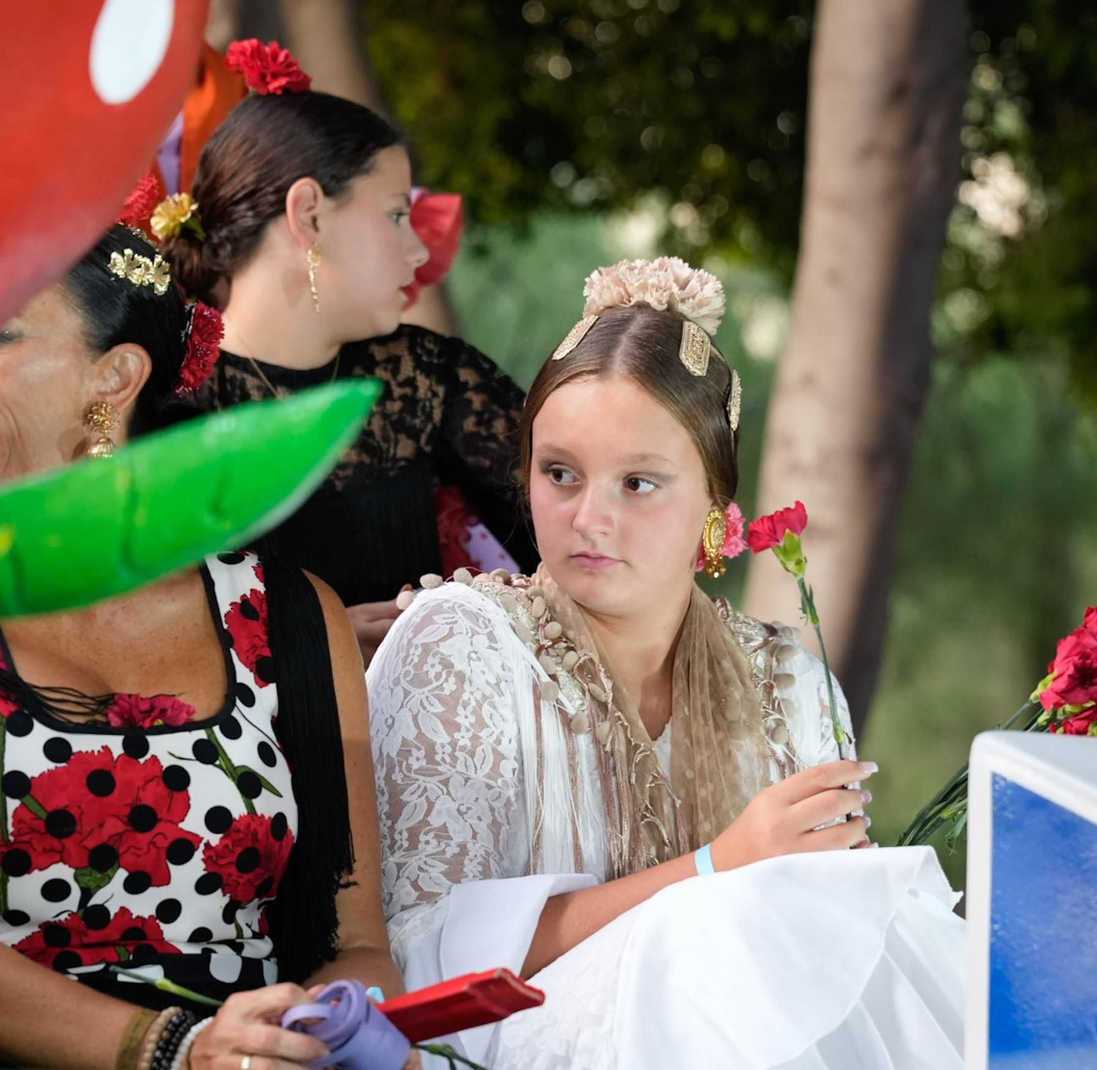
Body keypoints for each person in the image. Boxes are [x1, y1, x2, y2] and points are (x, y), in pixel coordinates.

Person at [0, 225, 407, 1069]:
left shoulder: (293, 612)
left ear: (114, 377)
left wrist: (331, 1030)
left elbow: (356, 940)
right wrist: (177, 1051)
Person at [367, 258, 965, 1069]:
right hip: (502, 1048)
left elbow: (826, 943)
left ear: (716, 513)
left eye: (639, 483)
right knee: (705, 929)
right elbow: (420, 961)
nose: (590, 518)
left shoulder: (789, 683)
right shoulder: (463, 644)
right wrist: (715, 868)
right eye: (560, 474)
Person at [161, 42, 536, 663]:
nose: (418, 252)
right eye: (395, 216)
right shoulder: (161, 397)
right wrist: (309, 635)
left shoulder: (426, 376)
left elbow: (569, 533)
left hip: (421, 750)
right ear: (307, 214)